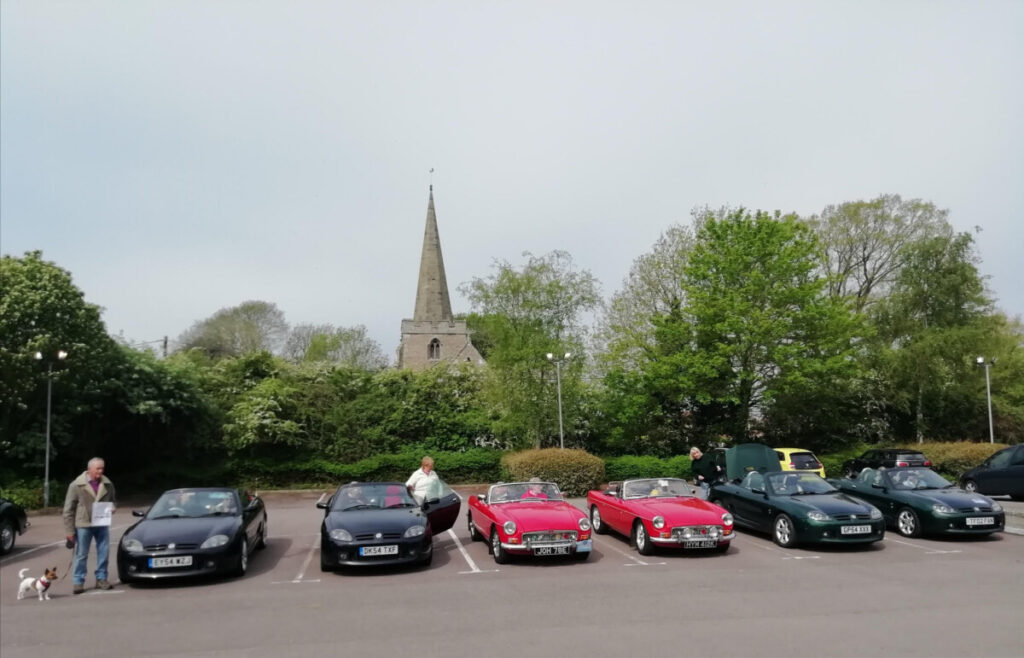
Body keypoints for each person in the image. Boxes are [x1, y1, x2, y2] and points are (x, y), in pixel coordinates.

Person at [63, 457, 116, 594]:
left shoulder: (108, 484)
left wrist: (113, 508)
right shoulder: (76, 485)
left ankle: (101, 579)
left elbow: (113, 501)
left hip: (102, 523)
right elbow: (68, 510)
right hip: (83, 524)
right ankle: (78, 581)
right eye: (98, 468)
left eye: (102, 468)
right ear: (89, 469)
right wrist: (69, 532)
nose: (101, 471)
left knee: (104, 552)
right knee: (81, 554)